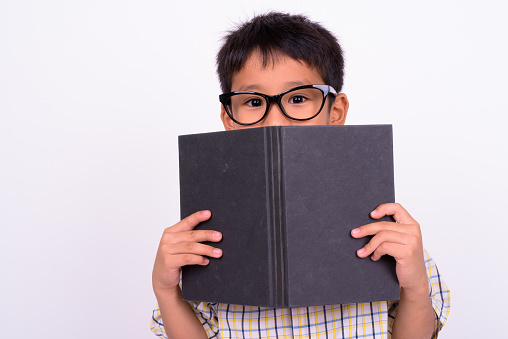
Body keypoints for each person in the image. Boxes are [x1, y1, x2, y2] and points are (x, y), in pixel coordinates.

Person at [150, 12, 450, 339]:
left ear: (335, 111)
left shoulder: (381, 223)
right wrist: (166, 292)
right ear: (229, 117)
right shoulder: (207, 231)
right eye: (253, 101)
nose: (276, 121)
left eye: (298, 98)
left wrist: (417, 288)